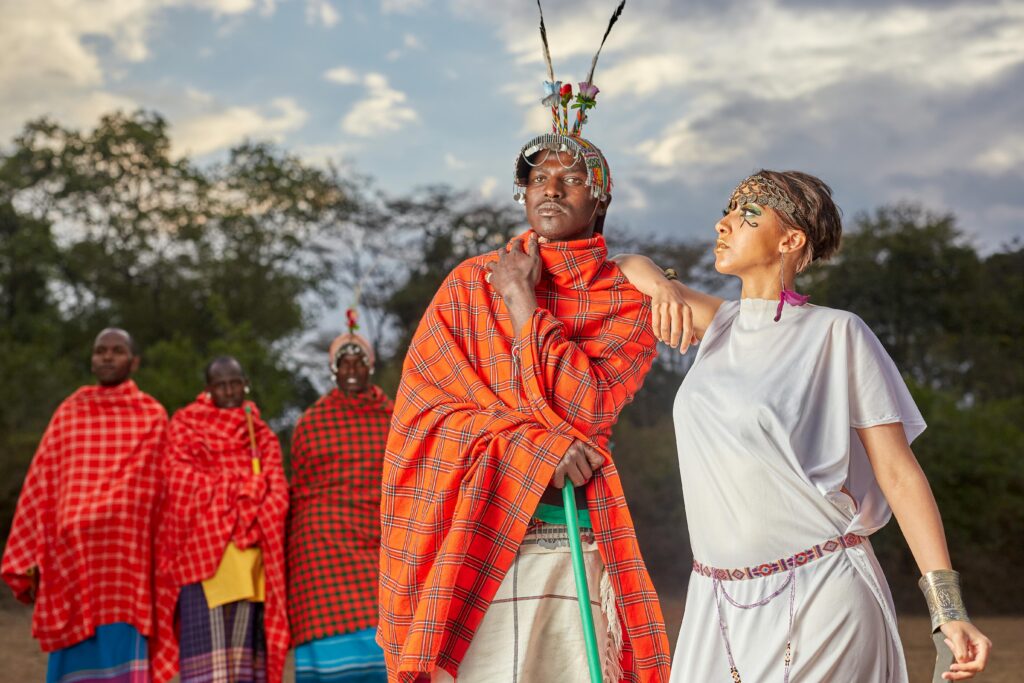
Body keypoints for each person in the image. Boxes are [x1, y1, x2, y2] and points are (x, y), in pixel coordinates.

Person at [378, 6, 671, 681]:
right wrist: (533, 444)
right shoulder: (467, 284)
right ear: (522, 193)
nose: (551, 188)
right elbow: (422, 423)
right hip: (471, 548)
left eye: (570, 179)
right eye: (539, 177)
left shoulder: (626, 301)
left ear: (597, 200)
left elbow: (586, 411)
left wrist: (523, 306)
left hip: (571, 542)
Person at [614, 170, 992, 682]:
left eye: (746, 216)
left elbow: (899, 476)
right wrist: (662, 285)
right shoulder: (718, 325)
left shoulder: (837, 334)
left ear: (790, 241)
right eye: (727, 211)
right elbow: (616, 268)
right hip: (717, 604)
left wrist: (948, 610)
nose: (723, 224)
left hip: (823, 593)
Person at [2, 328, 167, 683]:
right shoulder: (70, 413)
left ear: (134, 362)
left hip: (126, 569)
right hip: (72, 566)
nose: (107, 357)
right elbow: (41, 485)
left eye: (117, 351)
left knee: (124, 659)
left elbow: (160, 493)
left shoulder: (152, 416)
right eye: (100, 351)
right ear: (92, 360)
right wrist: (30, 552)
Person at [152, 356, 289, 683]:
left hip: (250, 567)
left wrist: (238, 505)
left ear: (245, 384)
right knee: (206, 672)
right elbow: (180, 483)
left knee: (246, 670)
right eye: (220, 385)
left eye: (235, 383)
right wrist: (245, 493)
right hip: (202, 565)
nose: (229, 391)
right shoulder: (186, 425)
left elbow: (278, 495)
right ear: (208, 389)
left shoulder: (261, 435)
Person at [287, 321, 394, 682]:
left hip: (381, 542)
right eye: (344, 364)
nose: (352, 370)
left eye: (359, 362)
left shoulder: (395, 418)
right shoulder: (312, 424)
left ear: (371, 366)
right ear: (333, 369)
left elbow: (406, 477)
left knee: (388, 628)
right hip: (322, 548)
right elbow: (301, 489)